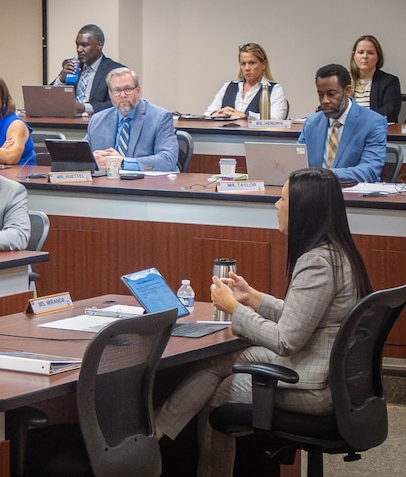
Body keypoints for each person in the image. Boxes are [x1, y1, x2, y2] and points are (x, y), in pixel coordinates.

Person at [154, 167, 372, 476]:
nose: (276, 206)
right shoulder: (336, 252)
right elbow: (303, 315)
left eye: (282, 199)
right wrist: (253, 298)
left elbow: (287, 340)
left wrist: (235, 310)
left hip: (313, 386)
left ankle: (157, 439)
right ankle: (155, 434)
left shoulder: (316, 262)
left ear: (302, 210)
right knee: (218, 363)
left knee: (220, 390)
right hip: (326, 375)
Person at [298, 64, 386, 183]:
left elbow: (369, 170)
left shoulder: (373, 122)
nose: (324, 101)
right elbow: (297, 161)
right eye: (320, 94)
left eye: (331, 94)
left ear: (347, 91)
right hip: (315, 194)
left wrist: (325, 175)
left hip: (352, 195)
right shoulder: (311, 123)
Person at [84, 68, 179, 172]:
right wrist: (90, 159)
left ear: (138, 90)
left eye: (128, 89)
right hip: (106, 184)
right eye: (117, 90)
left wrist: (123, 163)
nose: (123, 95)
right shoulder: (97, 120)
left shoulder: (160, 118)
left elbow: (168, 160)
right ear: (110, 93)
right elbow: (80, 154)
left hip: (143, 185)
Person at [52, 24, 126, 115]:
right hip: (68, 122)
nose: (79, 49)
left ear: (99, 45)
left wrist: (84, 108)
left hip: (96, 122)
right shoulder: (71, 66)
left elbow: (117, 102)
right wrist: (61, 80)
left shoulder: (115, 71)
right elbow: (48, 98)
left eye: (84, 45)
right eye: (77, 45)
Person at [204, 43, 288, 120]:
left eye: (251, 63)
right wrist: (216, 114)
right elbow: (207, 114)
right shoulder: (228, 86)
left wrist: (246, 116)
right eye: (243, 64)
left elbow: (277, 119)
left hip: (255, 135)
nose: (247, 68)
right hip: (225, 135)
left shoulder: (274, 89)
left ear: (263, 65)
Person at [349, 35, 402, 123]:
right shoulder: (343, 81)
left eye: (370, 53)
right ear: (354, 56)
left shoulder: (389, 81)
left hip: (375, 132)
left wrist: (357, 117)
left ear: (378, 57)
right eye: (361, 52)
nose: (365, 56)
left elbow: (390, 111)